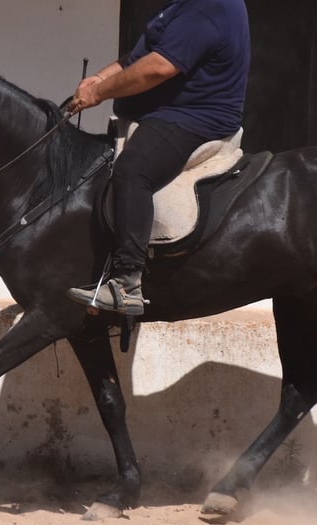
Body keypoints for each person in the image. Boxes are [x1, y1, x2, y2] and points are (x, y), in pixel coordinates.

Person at [66, 0, 251, 315]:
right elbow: (141, 57)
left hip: (194, 118)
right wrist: (99, 78)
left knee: (132, 171)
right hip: (170, 112)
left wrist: (99, 93)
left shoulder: (209, 7)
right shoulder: (181, 6)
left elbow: (159, 66)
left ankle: (127, 283)